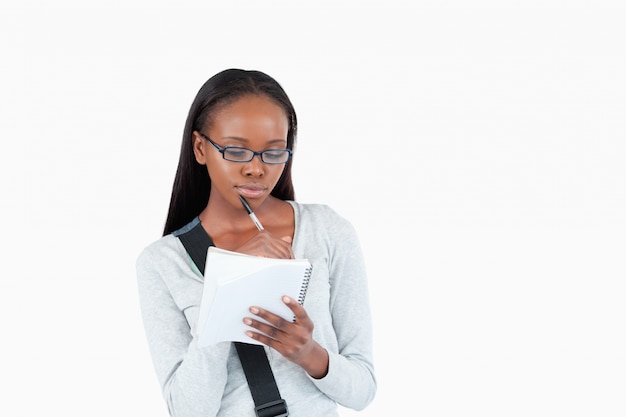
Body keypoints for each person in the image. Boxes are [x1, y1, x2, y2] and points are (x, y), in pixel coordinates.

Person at [136, 68, 376, 416]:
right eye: (236, 151)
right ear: (200, 147)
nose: (256, 169)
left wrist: (310, 354)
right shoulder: (162, 262)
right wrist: (230, 280)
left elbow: (363, 390)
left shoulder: (327, 230)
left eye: (274, 152)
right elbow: (188, 410)